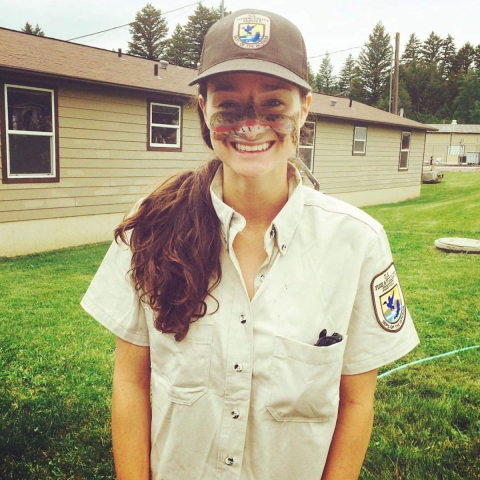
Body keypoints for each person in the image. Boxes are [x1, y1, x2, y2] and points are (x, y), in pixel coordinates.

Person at [81, 9, 419, 480]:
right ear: (203, 108)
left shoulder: (356, 242)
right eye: (229, 106)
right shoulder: (151, 227)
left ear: (304, 106)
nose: (250, 126)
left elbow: (358, 401)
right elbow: (130, 382)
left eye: (273, 106)